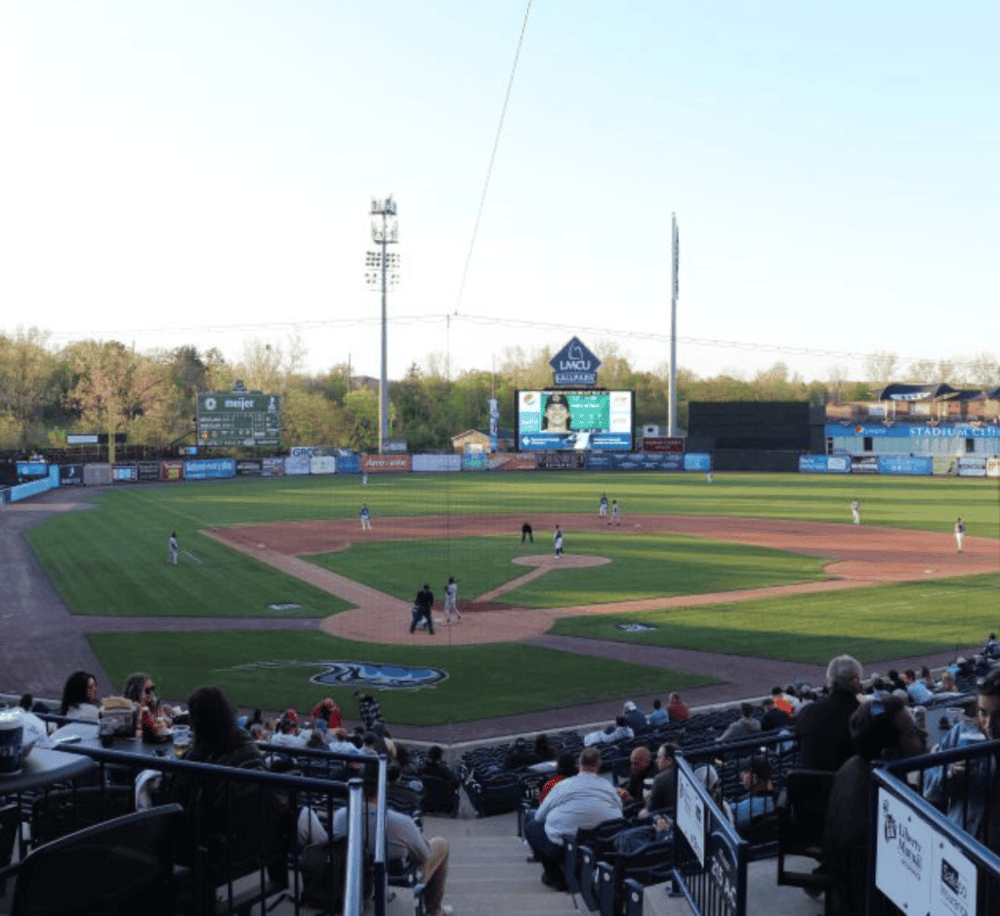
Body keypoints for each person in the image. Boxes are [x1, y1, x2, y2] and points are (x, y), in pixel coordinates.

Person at [825, 695, 927, 916]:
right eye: (912, 734)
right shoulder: (889, 803)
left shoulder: (849, 768)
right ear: (889, 753)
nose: (924, 735)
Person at [525, 746, 622, 891]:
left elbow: (539, 816)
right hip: (603, 843)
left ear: (580, 765)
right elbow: (619, 810)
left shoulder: (561, 785)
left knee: (531, 825)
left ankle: (556, 877)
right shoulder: (608, 786)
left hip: (570, 845)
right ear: (598, 765)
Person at [794, 655, 863, 771]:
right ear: (856, 682)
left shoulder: (806, 712)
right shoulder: (866, 711)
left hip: (815, 785)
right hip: (853, 785)